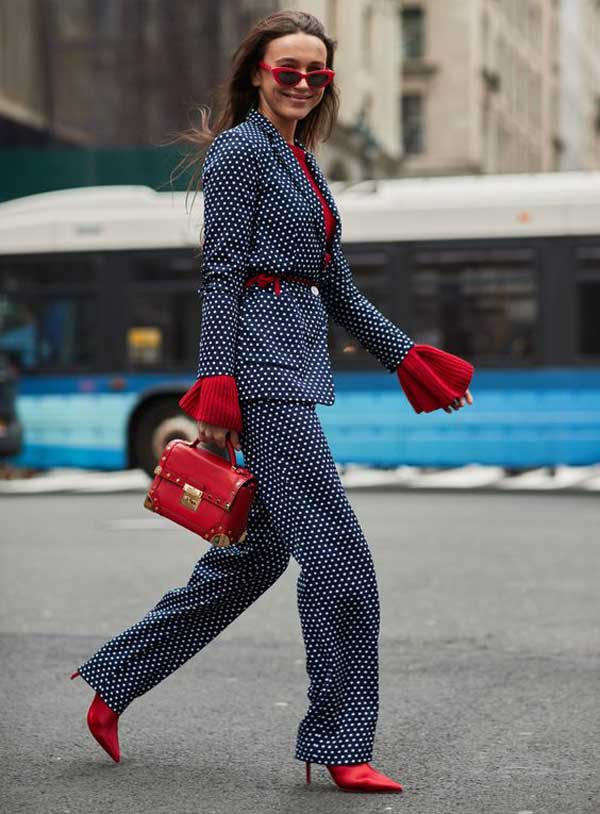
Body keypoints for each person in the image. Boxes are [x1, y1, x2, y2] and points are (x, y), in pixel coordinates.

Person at [70, 10, 474, 794]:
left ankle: (114, 682)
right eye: (285, 68)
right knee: (341, 561)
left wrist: (409, 360)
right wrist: (215, 385)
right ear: (257, 72)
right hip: (260, 376)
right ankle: (339, 740)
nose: (298, 82)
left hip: (291, 368)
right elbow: (220, 273)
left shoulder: (304, 163)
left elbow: (339, 289)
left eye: (313, 72)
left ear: (324, 83)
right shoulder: (240, 152)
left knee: (258, 553)